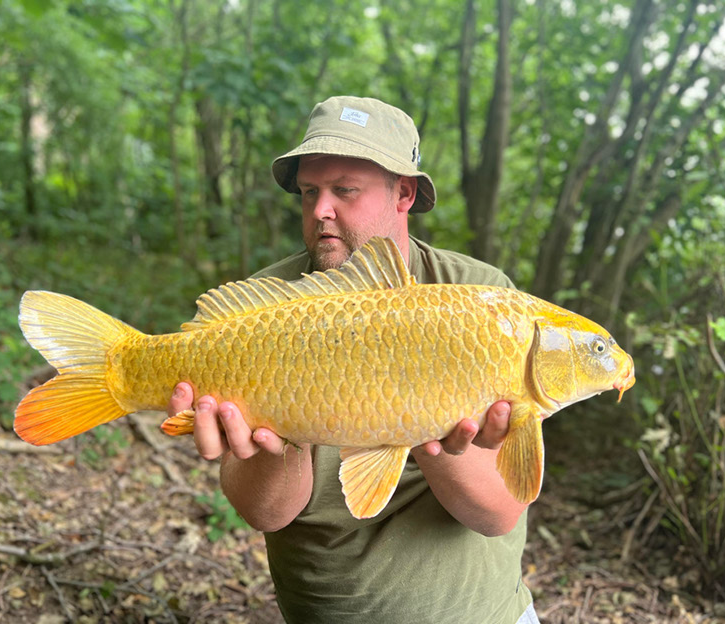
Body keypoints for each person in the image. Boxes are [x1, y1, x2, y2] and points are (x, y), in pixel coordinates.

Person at [168, 96, 540, 623]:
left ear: (403, 193)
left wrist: (419, 416)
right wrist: (282, 431)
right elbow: (266, 512)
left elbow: (498, 512)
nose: (321, 209)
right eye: (308, 192)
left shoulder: (481, 299)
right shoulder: (264, 308)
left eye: (344, 190)